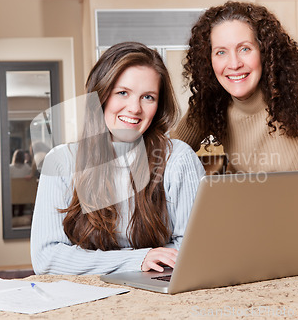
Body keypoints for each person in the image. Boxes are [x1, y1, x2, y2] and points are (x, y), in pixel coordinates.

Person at [172, 1, 298, 270]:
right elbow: (169, 154)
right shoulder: (209, 101)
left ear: (265, 50)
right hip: (245, 228)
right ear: (208, 60)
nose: (233, 64)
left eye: (244, 49)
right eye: (220, 52)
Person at [30, 42, 205, 275]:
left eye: (148, 97)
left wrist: (90, 262)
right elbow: (47, 258)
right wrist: (137, 259)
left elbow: (194, 251)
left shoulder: (178, 158)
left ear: (159, 106)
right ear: (100, 95)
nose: (134, 108)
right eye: (122, 93)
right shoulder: (61, 161)